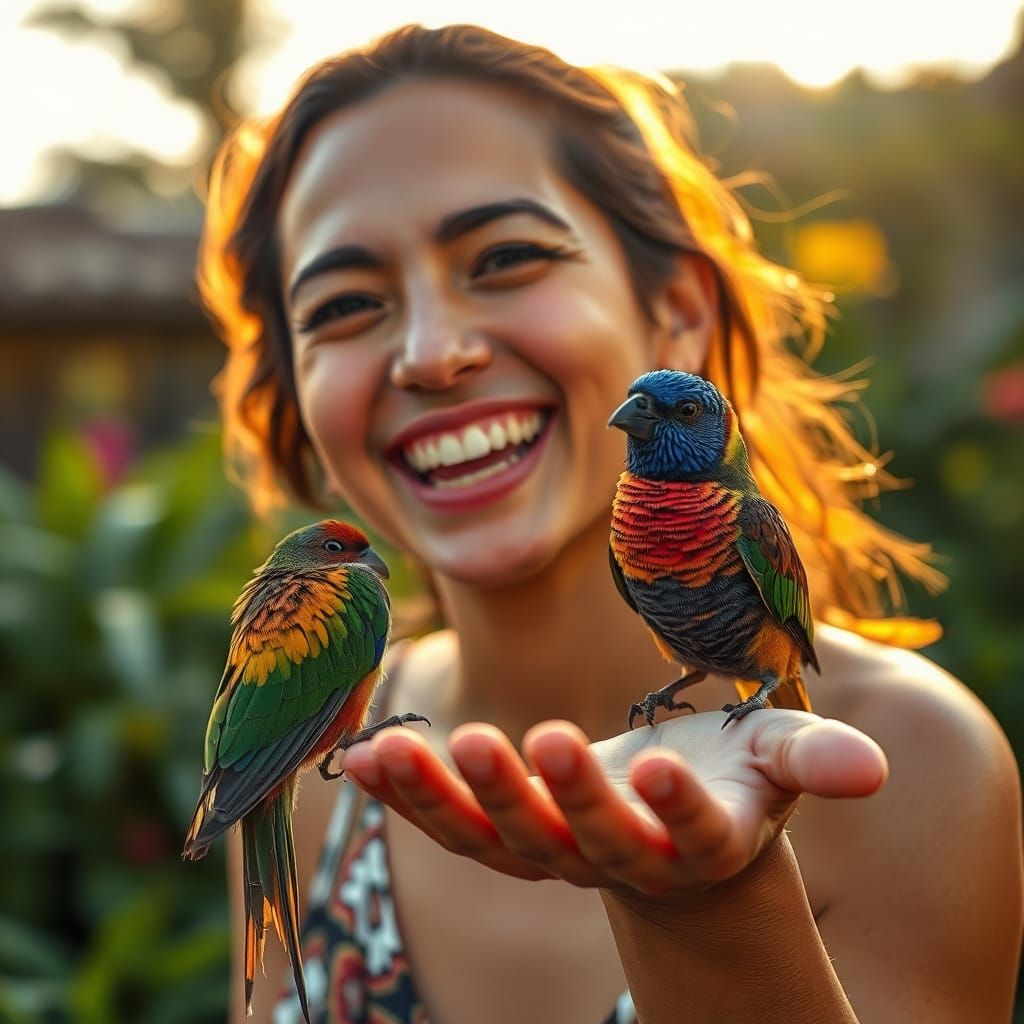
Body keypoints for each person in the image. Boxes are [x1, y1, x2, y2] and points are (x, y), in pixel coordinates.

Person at [197, 23, 1022, 1023]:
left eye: (505, 256)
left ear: (676, 311)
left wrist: (704, 908)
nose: (431, 352)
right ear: (293, 390)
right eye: (341, 305)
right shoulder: (329, 750)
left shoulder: (906, 766)